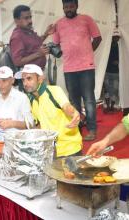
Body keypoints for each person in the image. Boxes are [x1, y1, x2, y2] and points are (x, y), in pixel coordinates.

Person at [53, 0, 102, 141]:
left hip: (86, 66)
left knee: (89, 99)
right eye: (66, 6)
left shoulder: (86, 19)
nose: (68, 9)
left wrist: (88, 52)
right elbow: (55, 45)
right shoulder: (59, 24)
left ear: (76, 6)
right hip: (69, 68)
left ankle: (92, 130)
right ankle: (77, 128)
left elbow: (98, 38)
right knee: (74, 100)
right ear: (63, 7)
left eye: (71, 6)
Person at [19, 64, 82, 157]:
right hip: (50, 152)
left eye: (29, 78)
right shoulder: (30, 100)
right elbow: (39, 125)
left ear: (40, 79)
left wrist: (75, 114)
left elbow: (67, 107)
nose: (25, 83)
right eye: (23, 80)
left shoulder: (54, 91)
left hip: (69, 150)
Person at [0, 66, 34, 141]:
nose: (0, 85)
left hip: (19, 143)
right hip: (0, 142)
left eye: (4, 80)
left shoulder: (22, 98)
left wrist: (12, 123)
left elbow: (31, 125)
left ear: (12, 80)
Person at [10, 5, 54, 70]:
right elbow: (17, 61)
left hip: (38, 73)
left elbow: (36, 43)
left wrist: (46, 34)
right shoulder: (17, 36)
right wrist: (38, 54)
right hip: (29, 76)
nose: (30, 21)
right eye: (26, 18)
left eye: (30, 17)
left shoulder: (28, 31)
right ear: (16, 21)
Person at [103, 28, 120, 113]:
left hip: (115, 72)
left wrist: (118, 61)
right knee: (107, 89)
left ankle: (111, 107)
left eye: (117, 37)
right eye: (115, 37)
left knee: (114, 90)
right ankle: (108, 107)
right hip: (108, 71)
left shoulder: (120, 47)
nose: (116, 38)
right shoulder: (107, 46)